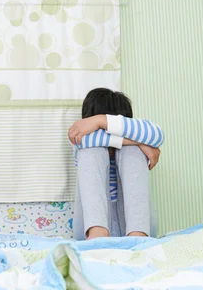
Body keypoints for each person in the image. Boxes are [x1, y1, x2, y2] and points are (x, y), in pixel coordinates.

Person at [67, 88, 164, 240]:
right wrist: (141, 143)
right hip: (89, 228)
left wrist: (100, 121)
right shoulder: (81, 137)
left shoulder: (132, 144)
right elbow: (86, 140)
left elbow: (157, 135)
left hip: (137, 227)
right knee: (90, 150)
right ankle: (97, 234)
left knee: (132, 151)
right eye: (97, 125)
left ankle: (138, 235)